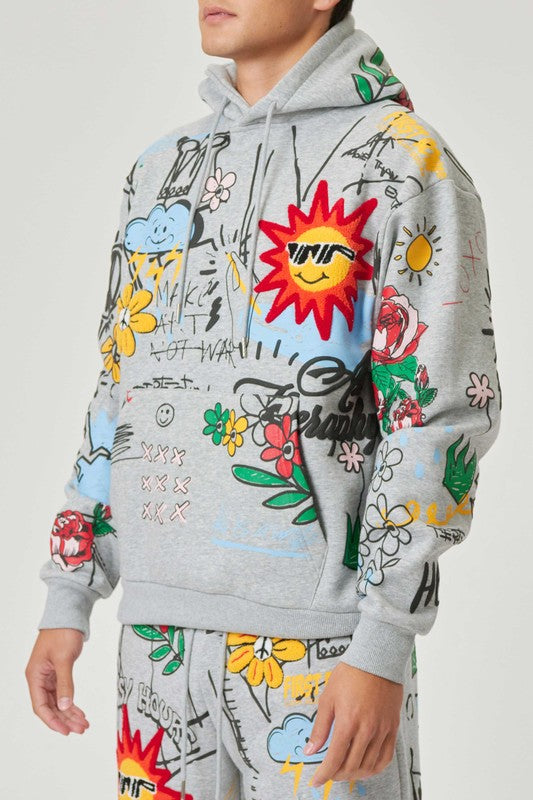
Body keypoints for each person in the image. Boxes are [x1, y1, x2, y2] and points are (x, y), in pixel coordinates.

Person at [25, 1, 502, 797]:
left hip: (321, 651)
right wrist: (70, 589)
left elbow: (436, 414)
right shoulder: (160, 172)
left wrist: (382, 640)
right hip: (157, 642)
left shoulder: (403, 162)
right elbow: (120, 390)